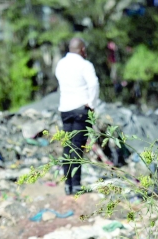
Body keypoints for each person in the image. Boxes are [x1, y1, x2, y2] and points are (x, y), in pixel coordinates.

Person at [54, 37, 99, 194]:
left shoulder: (61, 64)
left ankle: (67, 185)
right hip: (81, 109)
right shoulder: (85, 65)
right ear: (81, 49)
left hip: (65, 109)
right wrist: (91, 104)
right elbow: (93, 84)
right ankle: (76, 185)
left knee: (67, 147)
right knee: (77, 147)